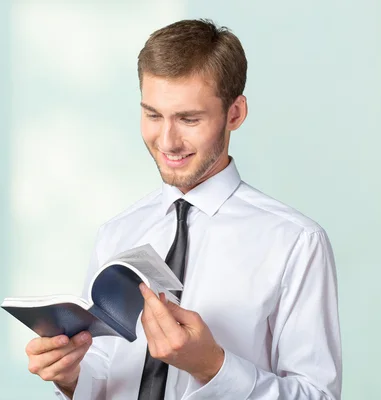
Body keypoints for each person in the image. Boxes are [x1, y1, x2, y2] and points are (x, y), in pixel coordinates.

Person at [25, 19, 342, 400]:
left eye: (189, 119)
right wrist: (71, 376)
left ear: (235, 114)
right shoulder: (117, 231)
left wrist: (213, 367)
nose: (167, 141)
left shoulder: (295, 242)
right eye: (153, 115)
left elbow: (318, 395)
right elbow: (108, 370)